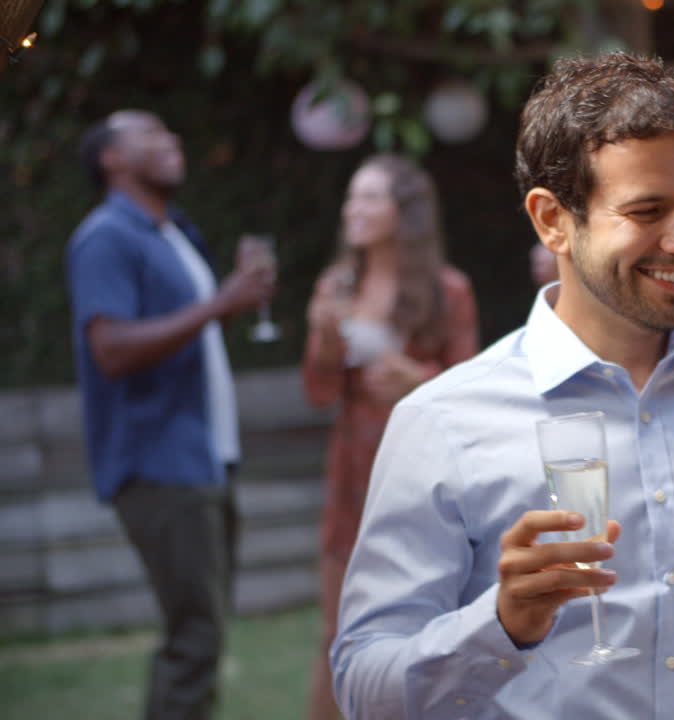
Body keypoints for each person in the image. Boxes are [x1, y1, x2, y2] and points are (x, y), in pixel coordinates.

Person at [330, 53, 674, 719]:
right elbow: (365, 687)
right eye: (647, 210)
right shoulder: (443, 420)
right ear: (551, 220)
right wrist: (501, 625)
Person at [66, 110, 275, 720]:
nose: (173, 139)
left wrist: (228, 303)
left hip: (204, 455)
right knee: (194, 637)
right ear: (112, 159)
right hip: (158, 462)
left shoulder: (171, 233)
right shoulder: (106, 236)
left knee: (203, 633)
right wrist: (221, 303)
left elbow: (184, 331)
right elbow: (110, 348)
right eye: (152, 134)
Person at [302, 153, 480, 720]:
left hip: (421, 477)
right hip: (353, 472)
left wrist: (417, 380)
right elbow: (318, 392)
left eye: (370, 197)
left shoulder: (448, 292)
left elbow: (474, 397)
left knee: (428, 630)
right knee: (338, 633)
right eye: (352, 197)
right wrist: (325, 346)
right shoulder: (336, 286)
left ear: (405, 212)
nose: (354, 208)